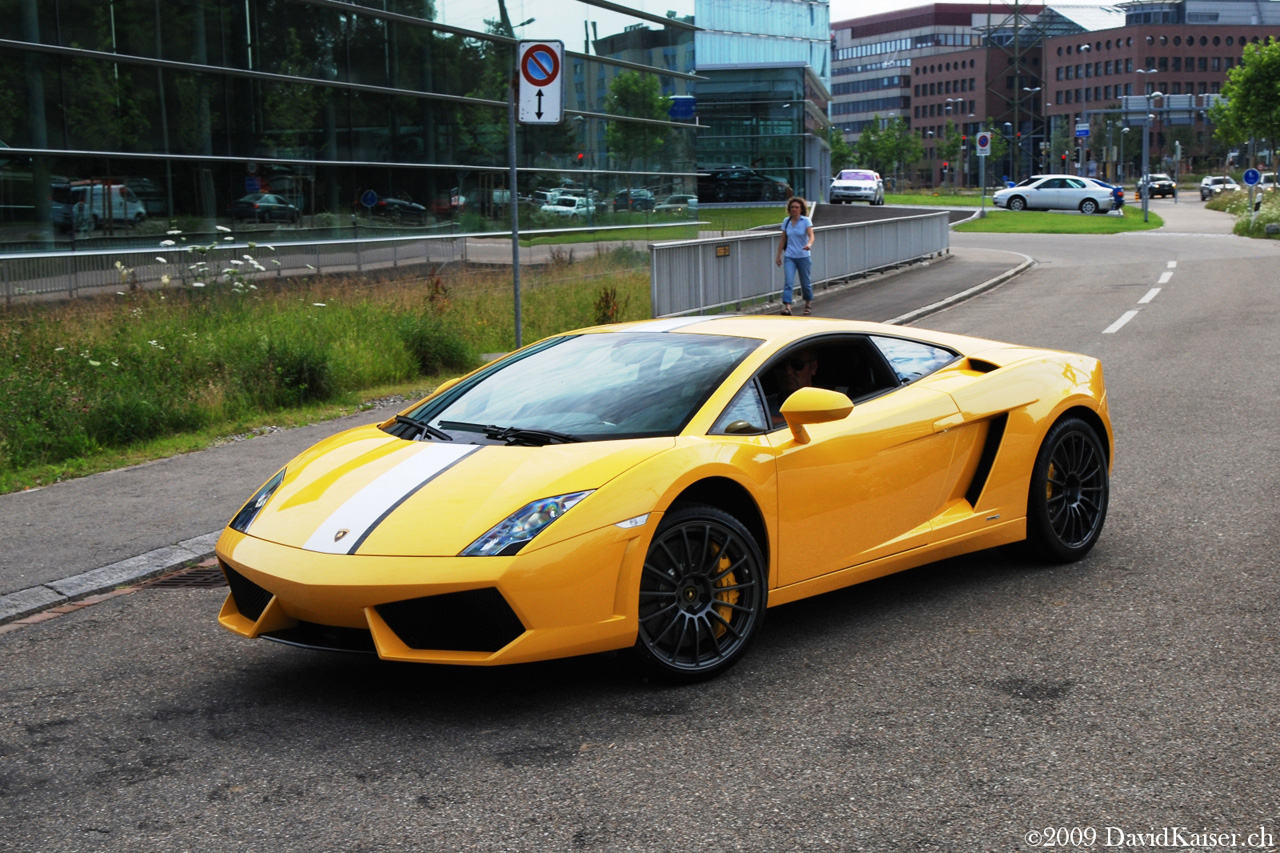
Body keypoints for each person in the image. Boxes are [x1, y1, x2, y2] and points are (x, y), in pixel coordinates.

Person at [775, 196, 814, 315]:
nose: (794, 209)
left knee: (805, 282)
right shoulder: (786, 221)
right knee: (788, 281)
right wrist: (778, 256)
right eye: (792, 207)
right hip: (790, 256)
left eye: (797, 207)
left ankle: (808, 303)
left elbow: (811, 235)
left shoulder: (805, 221)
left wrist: (809, 244)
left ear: (801, 209)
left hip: (803, 256)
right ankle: (788, 306)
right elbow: (783, 240)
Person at [766, 349, 819, 425]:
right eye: (781, 364)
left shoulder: (829, 405)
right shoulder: (760, 407)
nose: (788, 371)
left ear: (813, 367)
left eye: (797, 364)